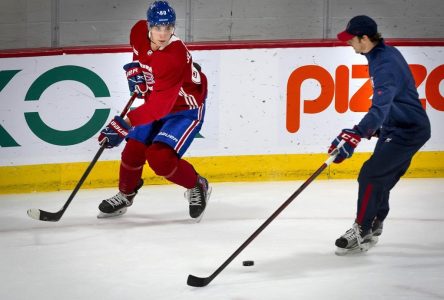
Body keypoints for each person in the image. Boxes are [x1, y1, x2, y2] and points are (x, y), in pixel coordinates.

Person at [97, 0, 211, 221]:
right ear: (149, 26)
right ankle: (125, 194)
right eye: (158, 27)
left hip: (185, 110)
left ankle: (197, 184)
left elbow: (160, 107)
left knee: (160, 158)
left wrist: (126, 123)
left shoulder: (172, 57)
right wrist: (135, 72)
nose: (163, 33)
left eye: (168, 27)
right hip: (157, 102)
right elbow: (139, 54)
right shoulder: (138, 31)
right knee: (133, 151)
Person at [329, 15, 431, 255]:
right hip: (397, 125)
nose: (349, 43)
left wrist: (357, 134)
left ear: (364, 38)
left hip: (409, 130)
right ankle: (373, 223)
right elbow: (395, 101)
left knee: (371, 175)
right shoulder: (378, 55)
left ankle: (362, 228)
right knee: (379, 177)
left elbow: (380, 107)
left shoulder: (385, 64)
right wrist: (374, 129)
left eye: (351, 39)